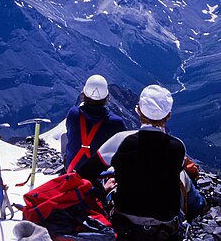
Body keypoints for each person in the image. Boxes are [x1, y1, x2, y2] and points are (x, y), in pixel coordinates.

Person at [77, 84, 207, 240]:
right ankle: (200, 207)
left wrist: (103, 189)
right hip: (166, 225)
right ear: (169, 115)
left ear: (138, 110)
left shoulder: (120, 141)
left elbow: (84, 172)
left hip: (125, 221)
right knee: (183, 177)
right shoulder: (178, 147)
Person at [65, 74, 126, 173]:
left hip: (73, 172)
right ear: (107, 97)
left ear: (83, 94)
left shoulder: (73, 114)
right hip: (98, 178)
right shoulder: (115, 123)